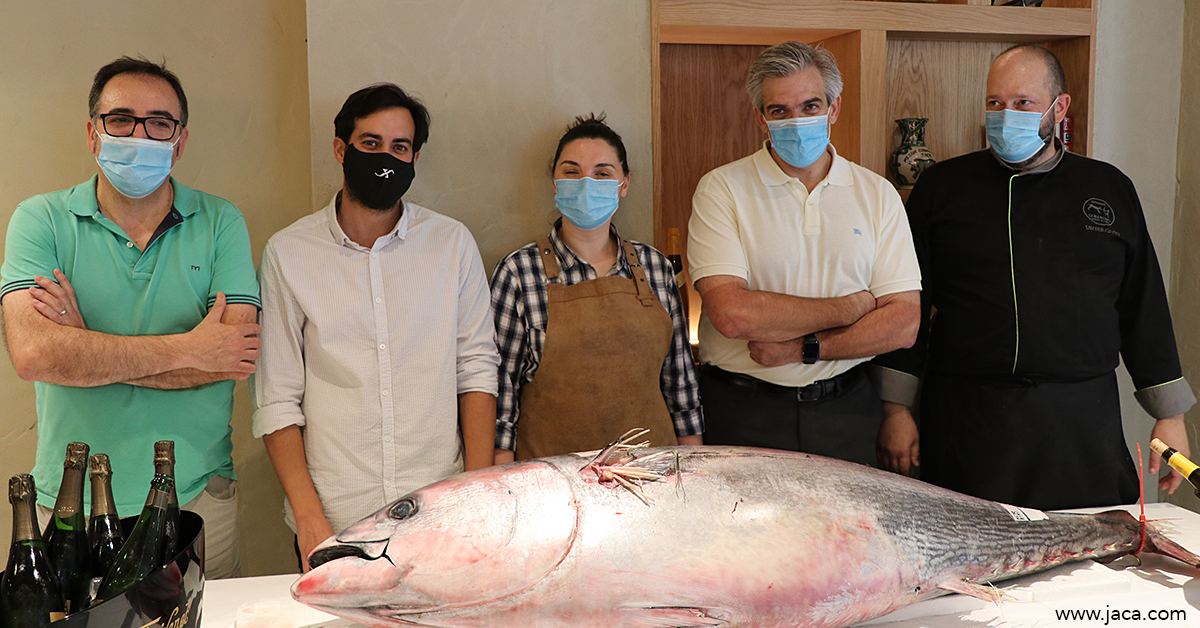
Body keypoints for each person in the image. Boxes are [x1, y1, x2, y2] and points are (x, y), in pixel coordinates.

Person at [873, 44, 1195, 510]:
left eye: (1023, 102)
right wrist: (896, 407)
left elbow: (1141, 304)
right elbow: (909, 307)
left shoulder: (1107, 187)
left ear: (1059, 106)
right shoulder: (942, 188)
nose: (1006, 115)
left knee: (1087, 563)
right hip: (968, 415)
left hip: (1081, 420)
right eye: (995, 103)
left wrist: (1170, 415)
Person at [1, 56, 260, 578]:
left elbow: (233, 355)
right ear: (93, 135)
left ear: (179, 141)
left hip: (197, 499)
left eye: (159, 123)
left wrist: (84, 347)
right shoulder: (40, 219)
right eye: (121, 120)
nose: (140, 135)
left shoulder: (220, 221)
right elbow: (34, 356)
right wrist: (190, 347)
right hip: (70, 502)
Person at [252, 83, 500, 569]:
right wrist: (309, 520)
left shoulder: (451, 244)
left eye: (399, 147)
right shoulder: (289, 252)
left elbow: (475, 370)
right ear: (341, 149)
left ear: (415, 157)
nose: (385, 158)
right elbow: (276, 397)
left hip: (440, 514)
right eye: (370, 144)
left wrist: (476, 500)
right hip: (336, 518)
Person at [687, 41, 921, 467]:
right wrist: (850, 307)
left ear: (833, 109)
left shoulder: (878, 194)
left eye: (810, 106)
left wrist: (803, 349)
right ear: (761, 118)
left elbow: (902, 324)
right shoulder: (721, 189)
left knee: (848, 534)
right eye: (780, 111)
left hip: (847, 410)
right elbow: (733, 315)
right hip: (744, 412)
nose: (796, 121)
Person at [491, 115, 704, 462]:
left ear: (624, 184)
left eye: (602, 173)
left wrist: (694, 473)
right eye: (572, 172)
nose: (586, 183)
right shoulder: (518, 272)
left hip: (650, 477)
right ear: (555, 182)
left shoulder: (655, 267)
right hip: (556, 486)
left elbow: (681, 388)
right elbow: (503, 399)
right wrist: (501, 487)